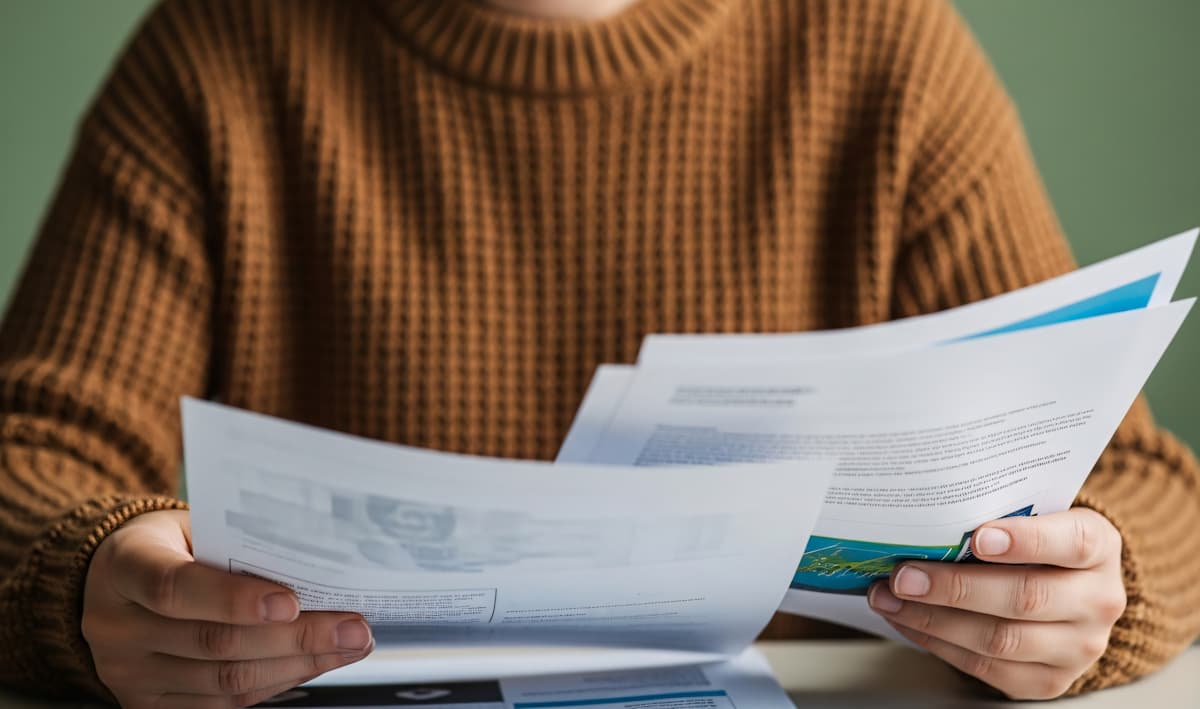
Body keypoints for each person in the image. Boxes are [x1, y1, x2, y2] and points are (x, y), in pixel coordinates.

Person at [0, 0, 1196, 706]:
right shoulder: (214, 54)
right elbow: (35, 453)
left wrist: (1094, 594)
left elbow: (1143, 489)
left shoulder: (885, 53)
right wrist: (84, 578)